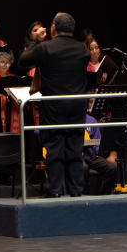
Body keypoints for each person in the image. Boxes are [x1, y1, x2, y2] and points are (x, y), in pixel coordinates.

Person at [19, 12, 90, 198]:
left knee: (55, 148)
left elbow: (22, 61)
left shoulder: (45, 47)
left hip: (54, 104)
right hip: (77, 105)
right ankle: (76, 192)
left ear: (53, 28)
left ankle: (55, 193)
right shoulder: (84, 50)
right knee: (75, 149)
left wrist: (35, 40)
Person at [82, 96, 117, 195]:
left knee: (112, 168)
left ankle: (102, 198)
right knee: (83, 168)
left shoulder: (91, 121)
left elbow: (96, 147)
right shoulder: (69, 119)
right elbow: (38, 131)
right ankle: (82, 200)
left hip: (90, 155)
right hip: (75, 156)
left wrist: (104, 151)